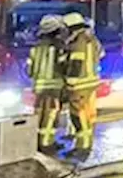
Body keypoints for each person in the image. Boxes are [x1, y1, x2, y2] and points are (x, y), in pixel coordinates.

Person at [61, 12, 104, 156]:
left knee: (78, 116)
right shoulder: (92, 39)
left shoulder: (77, 41)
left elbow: (76, 63)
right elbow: (101, 54)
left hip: (79, 84)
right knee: (87, 114)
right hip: (91, 82)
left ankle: (82, 147)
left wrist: (69, 82)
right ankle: (85, 144)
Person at [28, 15, 67, 153]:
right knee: (51, 115)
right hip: (54, 87)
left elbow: (30, 70)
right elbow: (64, 67)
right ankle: (47, 144)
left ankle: (36, 142)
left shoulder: (35, 48)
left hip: (38, 87)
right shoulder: (59, 47)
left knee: (38, 115)